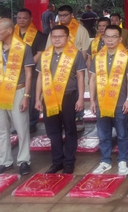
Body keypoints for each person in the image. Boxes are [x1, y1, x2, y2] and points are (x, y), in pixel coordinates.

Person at [0, 18, 35, 175]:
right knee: (1, 129)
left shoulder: (23, 48)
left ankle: (24, 160)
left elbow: (28, 73)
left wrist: (26, 96)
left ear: (9, 31)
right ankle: (4, 161)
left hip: (17, 91)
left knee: (21, 128)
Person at [34, 25, 86, 174]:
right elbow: (40, 77)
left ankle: (69, 162)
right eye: (54, 36)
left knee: (70, 130)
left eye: (60, 36)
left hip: (68, 97)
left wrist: (81, 98)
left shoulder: (75, 54)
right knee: (53, 131)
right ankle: (57, 161)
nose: (56, 39)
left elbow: (81, 77)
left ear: (68, 38)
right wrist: (37, 99)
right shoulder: (45, 55)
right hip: (49, 97)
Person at [89, 25, 128, 175]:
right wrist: (92, 101)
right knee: (103, 134)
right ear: (103, 38)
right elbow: (92, 79)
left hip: (120, 102)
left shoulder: (126, 56)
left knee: (122, 134)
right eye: (107, 36)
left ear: (120, 39)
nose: (110, 40)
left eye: (114, 37)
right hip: (101, 103)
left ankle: (122, 161)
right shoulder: (98, 57)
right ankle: (105, 161)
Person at [46, 5, 91, 132]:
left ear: (72, 15)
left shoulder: (81, 30)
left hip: (74, 68)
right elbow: (48, 49)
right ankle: (59, 117)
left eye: (65, 15)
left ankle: (79, 117)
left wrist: (79, 67)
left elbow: (84, 50)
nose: (62, 17)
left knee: (76, 93)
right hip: (56, 69)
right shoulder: (55, 31)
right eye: (60, 15)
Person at [15, 8, 47, 134]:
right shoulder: (12, 34)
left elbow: (40, 53)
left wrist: (26, 64)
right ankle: (19, 123)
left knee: (31, 96)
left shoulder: (39, 35)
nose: (21, 20)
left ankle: (32, 122)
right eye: (19, 18)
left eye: (25, 18)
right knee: (17, 97)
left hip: (32, 70)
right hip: (14, 72)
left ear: (31, 19)